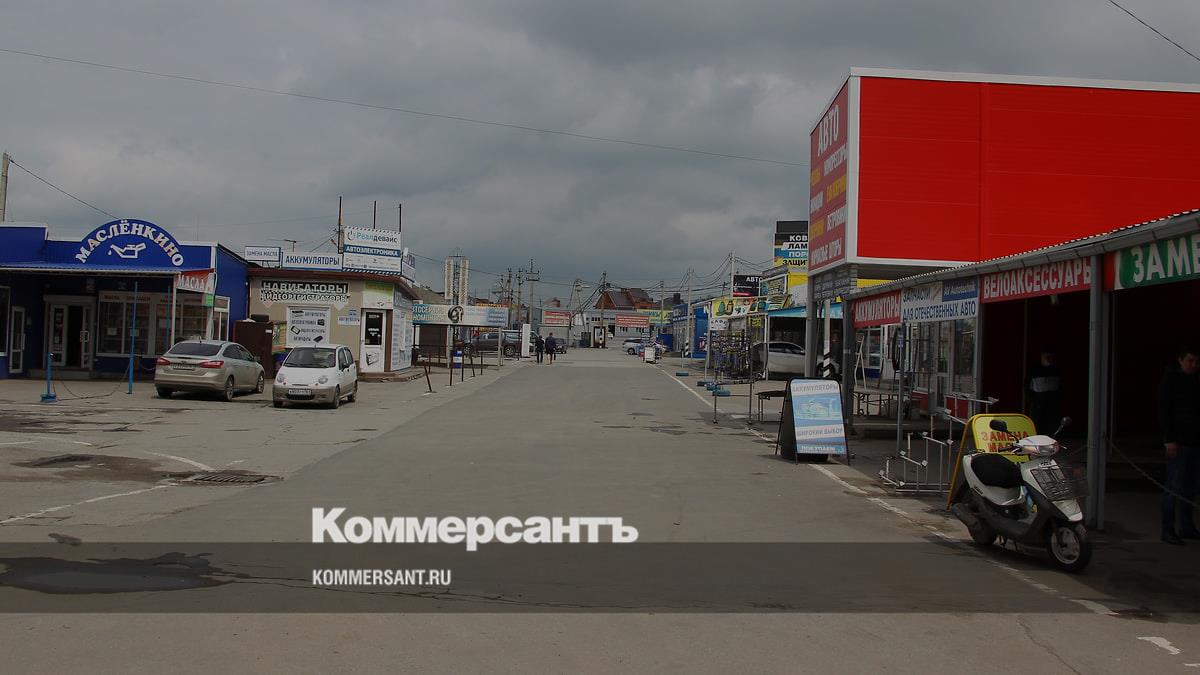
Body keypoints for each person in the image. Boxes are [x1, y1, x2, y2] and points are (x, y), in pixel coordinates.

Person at [1158, 346, 1200, 545]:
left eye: (1196, 361)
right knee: (1173, 486)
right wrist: (1169, 439)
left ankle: (1187, 526)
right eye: (1190, 360)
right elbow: (1164, 410)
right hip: (1178, 440)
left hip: (1195, 440)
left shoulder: (1196, 381)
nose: (1193, 365)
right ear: (1181, 360)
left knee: (1190, 487)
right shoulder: (1171, 380)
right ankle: (1167, 529)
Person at [1027, 348, 1063, 435]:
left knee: (1051, 425)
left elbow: (1060, 387)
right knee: (1037, 425)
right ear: (1042, 356)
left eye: (1050, 356)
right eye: (1046, 356)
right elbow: (1028, 387)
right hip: (1038, 403)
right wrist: (1033, 401)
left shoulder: (1056, 370)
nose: (1048, 358)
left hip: (1052, 404)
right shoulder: (1034, 370)